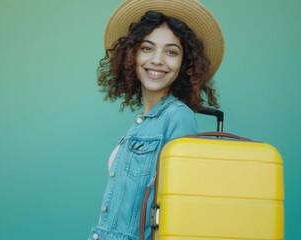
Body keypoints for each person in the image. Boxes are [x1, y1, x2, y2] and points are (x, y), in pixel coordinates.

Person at [88, 0, 224, 239]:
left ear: (185, 63)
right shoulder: (144, 120)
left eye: (171, 52)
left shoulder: (177, 116)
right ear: (132, 54)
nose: (158, 60)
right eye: (147, 48)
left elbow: (179, 208)